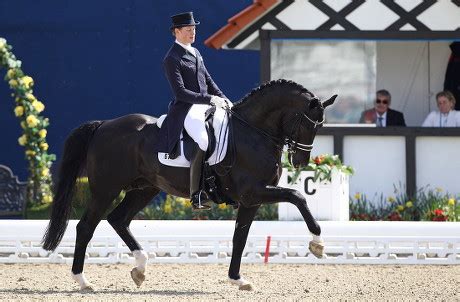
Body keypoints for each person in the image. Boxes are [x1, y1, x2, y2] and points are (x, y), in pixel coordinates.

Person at [157, 12, 231, 210]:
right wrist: (209, 99)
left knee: (226, 129)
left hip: (206, 105)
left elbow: (208, 80)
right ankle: (197, 194)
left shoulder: (196, 52)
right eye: (188, 29)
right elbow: (181, 93)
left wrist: (224, 99)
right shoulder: (172, 58)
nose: (193, 32)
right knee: (203, 140)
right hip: (187, 108)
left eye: (194, 29)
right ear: (177, 31)